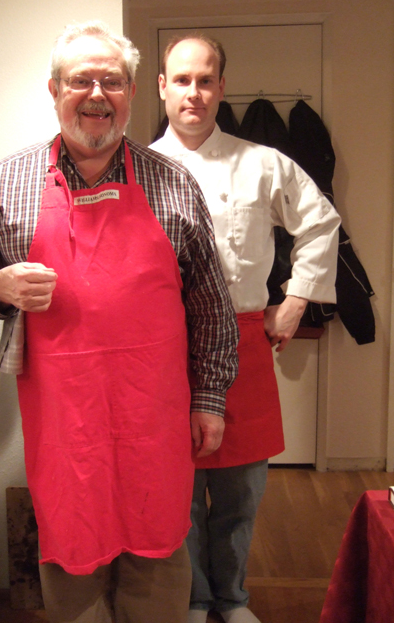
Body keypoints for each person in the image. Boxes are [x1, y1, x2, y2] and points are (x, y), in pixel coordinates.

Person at [0, 21, 239, 623]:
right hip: (65, 423)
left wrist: (209, 398)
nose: (97, 94)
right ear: (54, 89)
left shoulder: (173, 185)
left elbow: (210, 303)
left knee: (159, 559)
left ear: (133, 92)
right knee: (73, 560)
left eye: (112, 80)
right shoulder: (7, 184)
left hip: (154, 420)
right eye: (81, 80)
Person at [150, 35, 341, 623]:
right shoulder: (136, 169)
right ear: (161, 86)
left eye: (205, 80)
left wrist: (296, 299)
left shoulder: (264, 162)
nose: (193, 92)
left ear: (221, 87)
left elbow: (320, 224)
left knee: (240, 493)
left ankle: (232, 600)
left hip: (244, 341)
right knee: (177, 495)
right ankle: (191, 599)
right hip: (164, 347)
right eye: (181, 80)